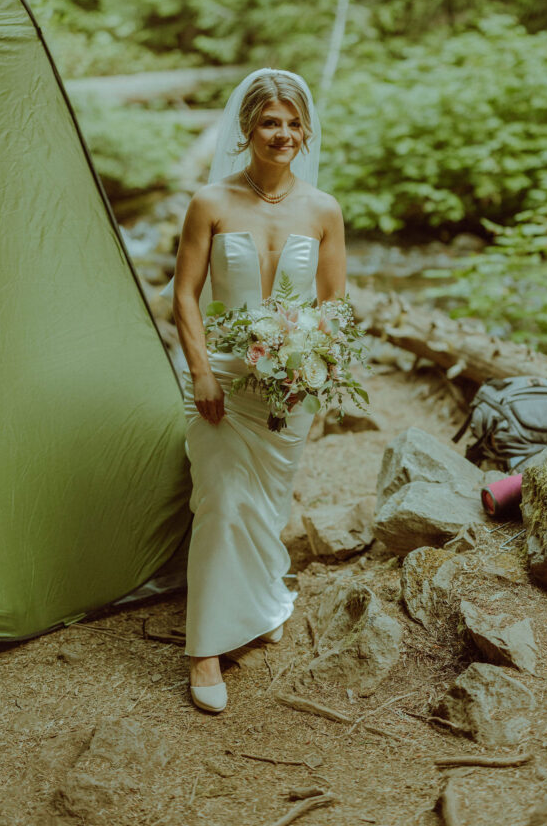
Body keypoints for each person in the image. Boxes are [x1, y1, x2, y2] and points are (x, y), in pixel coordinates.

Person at [169, 68, 346, 714]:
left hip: (288, 389)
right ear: (245, 129)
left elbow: (332, 307)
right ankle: (204, 650)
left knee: (266, 508)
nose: (284, 134)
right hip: (221, 379)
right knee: (219, 500)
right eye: (271, 122)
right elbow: (183, 296)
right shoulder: (210, 203)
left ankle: (258, 604)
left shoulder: (324, 210)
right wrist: (202, 372)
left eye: (294, 122)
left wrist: (313, 369)